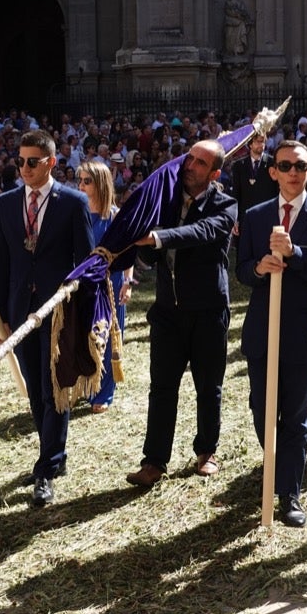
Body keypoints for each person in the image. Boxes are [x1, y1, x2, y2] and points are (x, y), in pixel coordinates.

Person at [237, 140, 307, 527]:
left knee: (295, 417)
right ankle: (277, 471)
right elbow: (242, 270)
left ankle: (289, 493)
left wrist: (295, 253)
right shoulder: (256, 215)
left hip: (300, 332)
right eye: (285, 165)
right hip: (263, 330)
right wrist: (260, 268)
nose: (293, 172)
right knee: (263, 411)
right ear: (273, 172)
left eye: (300, 166)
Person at [125, 139, 238, 488]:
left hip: (208, 312)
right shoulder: (168, 201)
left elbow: (201, 233)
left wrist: (158, 237)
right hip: (167, 314)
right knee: (162, 389)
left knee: (208, 386)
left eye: (200, 163)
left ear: (214, 172)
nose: (189, 166)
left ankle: (207, 452)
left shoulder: (226, 205)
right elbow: (152, 250)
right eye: (189, 158)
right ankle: (154, 461)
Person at [0, 129, 94, 507]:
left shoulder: (73, 202)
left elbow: (84, 262)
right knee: (35, 389)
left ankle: (46, 468)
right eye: (20, 161)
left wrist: (82, 310)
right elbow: (1, 264)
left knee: (55, 389)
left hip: (58, 311)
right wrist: (2, 316)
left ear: (50, 162)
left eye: (32, 162)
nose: (25, 168)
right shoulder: (5, 204)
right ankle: (55, 452)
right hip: (20, 311)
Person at [74, 160, 132, 413]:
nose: (81, 186)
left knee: (108, 337)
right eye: (80, 180)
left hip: (112, 282)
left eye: (87, 181)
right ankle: (85, 386)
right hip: (83, 284)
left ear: (100, 183)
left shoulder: (117, 216)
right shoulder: (79, 214)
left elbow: (128, 252)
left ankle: (105, 391)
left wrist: (127, 282)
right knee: (81, 336)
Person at [230, 134, 277, 232]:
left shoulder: (272, 163)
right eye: (258, 142)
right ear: (250, 144)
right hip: (245, 217)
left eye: (263, 142)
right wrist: (235, 218)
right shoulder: (239, 165)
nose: (261, 145)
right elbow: (236, 193)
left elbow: (276, 191)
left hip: (266, 216)